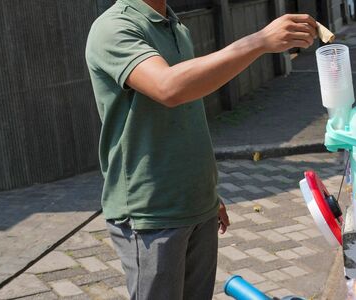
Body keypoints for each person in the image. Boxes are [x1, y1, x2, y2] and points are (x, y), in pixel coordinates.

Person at [84, 0, 317, 299]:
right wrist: (258, 42)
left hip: (196, 203)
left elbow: (185, 111)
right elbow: (169, 88)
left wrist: (205, 191)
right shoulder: (113, 28)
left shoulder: (175, 26)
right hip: (151, 211)